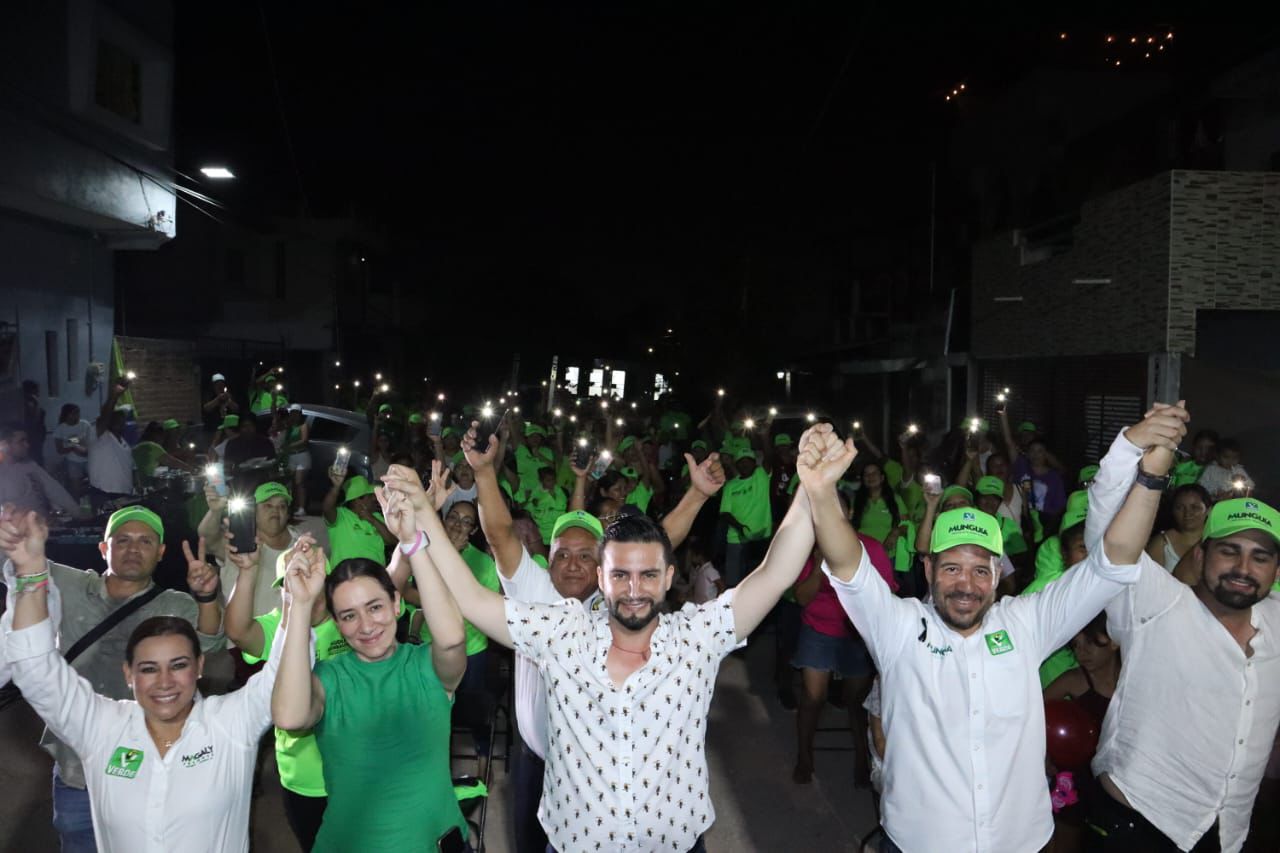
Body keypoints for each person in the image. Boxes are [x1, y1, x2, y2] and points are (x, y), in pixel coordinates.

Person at [381, 424, 836, 853]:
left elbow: (775, 573)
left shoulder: (697, 637)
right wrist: (421, 521)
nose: (634, 590)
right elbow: (472, 598)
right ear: (603, 578)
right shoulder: (560, 631)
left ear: (668, 577)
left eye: (648, 575)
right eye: (620, 574)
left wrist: (811, 490)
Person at [815, 407, 1177, 852]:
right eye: (951, 568)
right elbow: (848, 564)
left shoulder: (1026, 622)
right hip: (920, 842)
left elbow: (1113, 561)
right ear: (927, 568)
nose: (965, 585)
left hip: (1019, 841)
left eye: (979, 570)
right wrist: (821, 490)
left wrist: (1146, 472)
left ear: (997, 570)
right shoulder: (899, 627)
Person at [457, 425, 725, 853]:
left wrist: (697, 495)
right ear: (548, 557)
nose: (573, 564)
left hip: (598, 769)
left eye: (587, 556)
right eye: (563, 553)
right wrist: (485, 474)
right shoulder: (534, 592)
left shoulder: (615, 600)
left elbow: (662, 542)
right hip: (538, 759)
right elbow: (501, 536)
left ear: (603, 567)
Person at [1, 507, 285, 853]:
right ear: (104, 548)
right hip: (78, 762)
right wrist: (18, 543)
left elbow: (210, 639)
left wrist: (208, 596)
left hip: (159, 750)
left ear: (161, 552)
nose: (133, 549)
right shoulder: (70, 583)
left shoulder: (173, 604)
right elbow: (23, 577)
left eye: (145, 541)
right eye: (123, 540)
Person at [1081, 402, 1280, 852]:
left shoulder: (1276, 621)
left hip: (1227, 834)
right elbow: (1109, 542)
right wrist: (1135, 452)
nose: (1243, 568)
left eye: (1260, 556)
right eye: (1229, 551)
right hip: (1138, 825)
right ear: (1199, 556)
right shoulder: (1156, 606)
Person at [271, 490, 471, 853]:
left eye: (375, 607)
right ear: (337, 623)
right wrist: (299, 604)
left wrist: (413, 543)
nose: (365, 626)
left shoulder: (425, 665)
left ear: (396, 604)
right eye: (348, 616)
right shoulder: (330, 678)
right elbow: (289, 716)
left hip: (432, 843)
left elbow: (453, 639)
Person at [791, 517, 896, 786]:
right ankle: (804, 755)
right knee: (813, 697)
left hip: (857, 634)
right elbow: (802, 597)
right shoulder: (811, 548)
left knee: (857, 700)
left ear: (848, 513)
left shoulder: (870, 548)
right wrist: (817, 565)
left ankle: (863, 755)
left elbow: (888, 596)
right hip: (818, 627)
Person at [720, 445, 774, 586]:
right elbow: (724, 512)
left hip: (760, 538)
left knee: (758, 583)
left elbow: (769, 458)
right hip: (735, 539)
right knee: (733, 583)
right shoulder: (731, 485)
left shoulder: (761, 476)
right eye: (741, 461)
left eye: (748, 460)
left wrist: (764, 437)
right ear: (736, 465)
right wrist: (740, 528)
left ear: (755, 463)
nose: (744, 464)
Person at [0, 424, 80, 517]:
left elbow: (55, 490)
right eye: (21, 441)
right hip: (18, 528)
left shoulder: (30, 465)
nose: (27, 445)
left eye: (27, 441)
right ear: (5, 445)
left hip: (44, 525)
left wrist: (77, 512)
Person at [87, 381, 135, 509]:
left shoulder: (124, 442)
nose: (121, 421)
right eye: (117, 417)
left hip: (123, 494)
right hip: (104, 494)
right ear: (109, 420)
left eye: (123, 418)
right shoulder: (100, 436)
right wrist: (115, 395)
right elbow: (105, 415)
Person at [1145, 483, 1211, 572]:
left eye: (1195, 507)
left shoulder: (1216, 540)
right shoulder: (1161, 544)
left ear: (1208, 510)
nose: (1187, 513)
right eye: (1179, 507)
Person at [53, 404, 92, 499]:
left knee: (95, 483)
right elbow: (60, 450)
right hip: (73, 462)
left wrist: (72, 442)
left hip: (88, 459)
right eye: (74, 413)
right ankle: (79, 506)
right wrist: (73, 447)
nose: (77, 415)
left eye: (78, 413)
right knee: (76, 488)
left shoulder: (85, 424)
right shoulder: (60, 429)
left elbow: (90, 441)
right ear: (67, 415)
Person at [22, 379, 48, 467]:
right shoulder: (30, 403)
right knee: (36, 462)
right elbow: (34, 421)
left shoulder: (30, 402)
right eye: (37, 390)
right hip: (33, 438)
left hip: (37, 438)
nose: (39, 392)